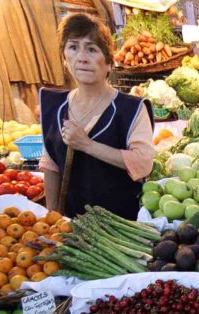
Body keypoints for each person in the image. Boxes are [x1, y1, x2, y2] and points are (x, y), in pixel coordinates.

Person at [39, 13, 155, 219]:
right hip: (74, 226)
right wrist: (52, 217)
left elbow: (143, 163)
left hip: (123, 226)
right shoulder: (54, 107)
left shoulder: (131, 109)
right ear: (65, 59)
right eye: (73, 47)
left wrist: (87, 145)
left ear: (109, 63)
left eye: (92, 49)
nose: (82, 57)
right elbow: (51, 165)